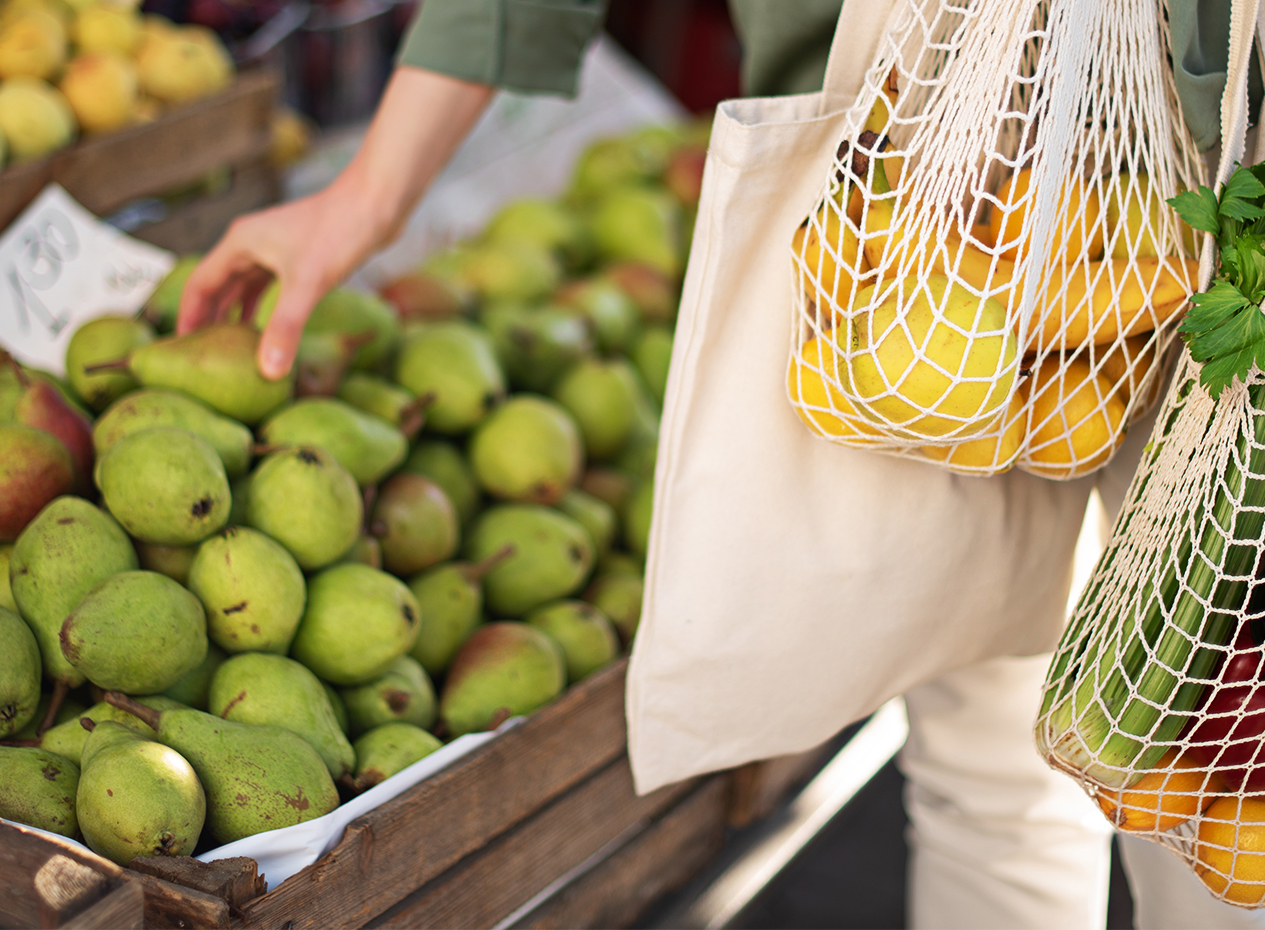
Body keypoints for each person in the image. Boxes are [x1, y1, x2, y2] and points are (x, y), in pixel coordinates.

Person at [177, 1, 1265, 926]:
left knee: (1202, 804)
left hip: (1143, 184)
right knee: (994, 762)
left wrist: (374, 192)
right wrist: (366, 192)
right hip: (907, 196)